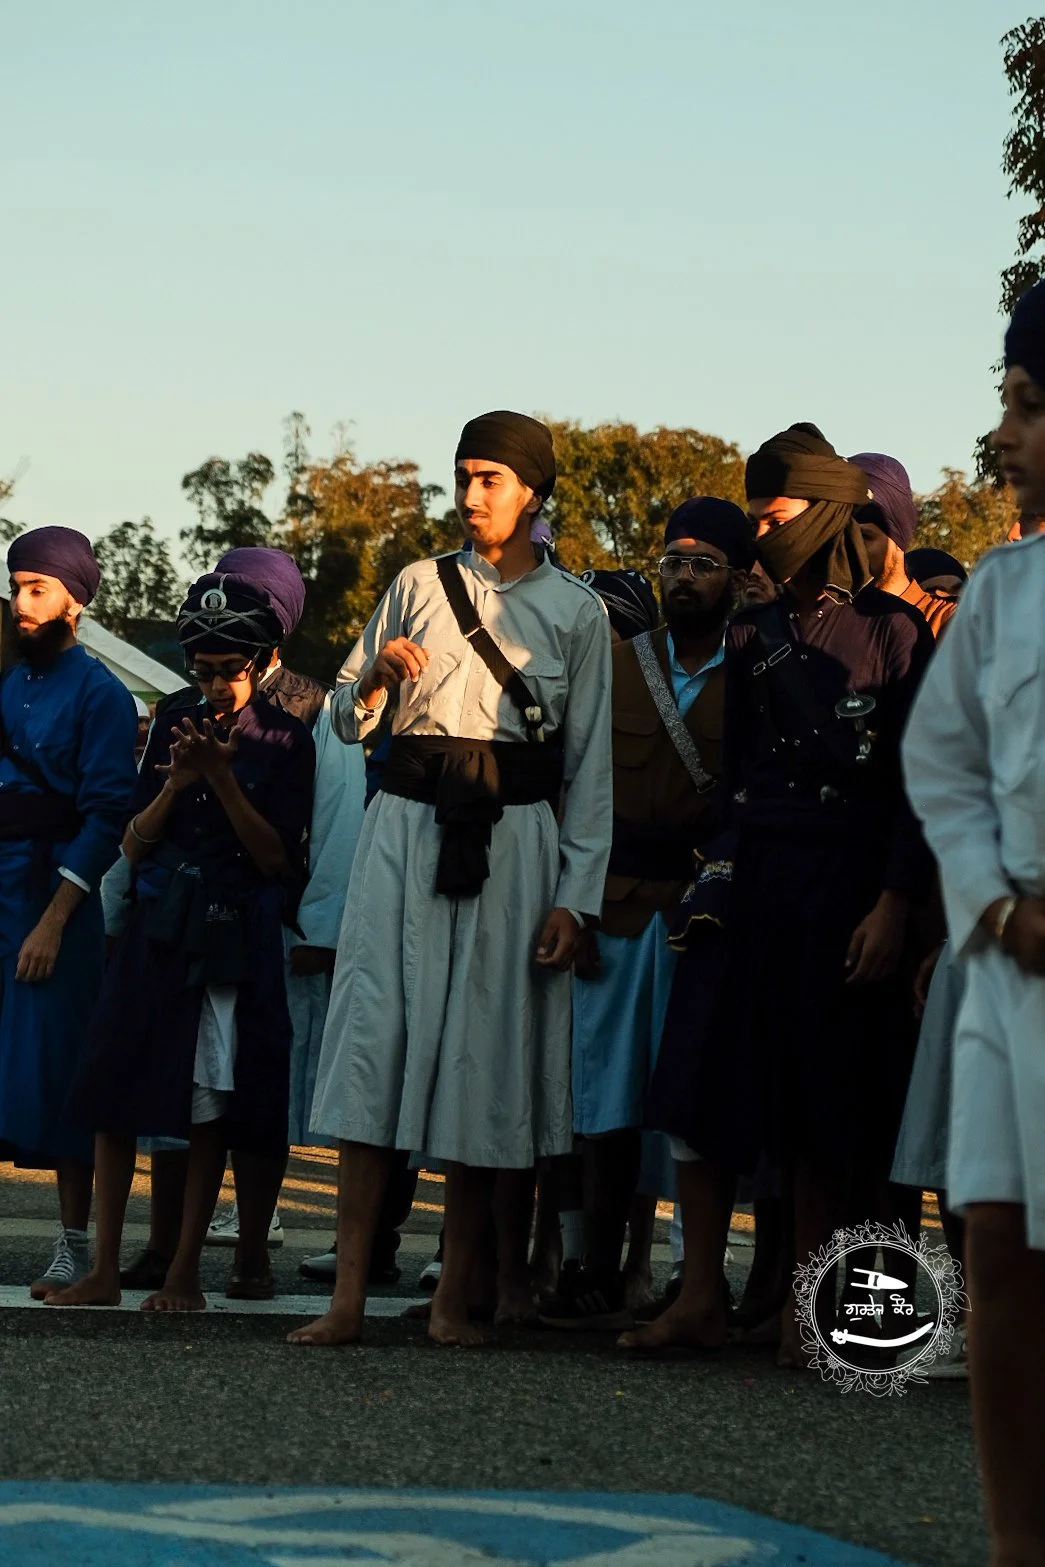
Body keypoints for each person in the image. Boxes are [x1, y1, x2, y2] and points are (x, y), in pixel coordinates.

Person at [288, 409, 613, 1348]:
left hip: (514, 841)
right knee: (371, 1046)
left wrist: (574, 900)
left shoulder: (576, 612)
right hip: (403, 830)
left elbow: (587, 771)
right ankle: (347, 1298)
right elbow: (346, 724)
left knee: (483, 1059)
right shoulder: (415, 585)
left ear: (533, 493)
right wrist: (376, 681)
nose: (471, 496)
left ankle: (450, 1300)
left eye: (491, 479)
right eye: (464, 475)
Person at [634, 424, 933, 1360]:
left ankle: (812, 1313)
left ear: (825, 513)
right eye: (755, 510)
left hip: (846, 886)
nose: (762, 527)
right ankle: (695, 1296)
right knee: (699, 1080)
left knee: (826, 1104)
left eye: (777, 511)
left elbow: (914, 789)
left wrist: (893, 905)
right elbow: (737, 774)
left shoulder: (892, 633)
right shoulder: (750, 632)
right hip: (751, 876)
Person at [48, 570, 315, 1310]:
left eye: (231, 670)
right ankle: (102, 1266)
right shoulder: (172, 718)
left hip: (231, 932)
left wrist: (222, 782)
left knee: (209, 1101)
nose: (217, 684)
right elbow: (133, 841)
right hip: (158, 920)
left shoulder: (285, 737)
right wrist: (174, 784)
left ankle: (184, 1270)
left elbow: (275, 858)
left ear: (262, 663)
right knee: (111, 1082)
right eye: (203, 671)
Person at [902, 279, 1045, 1565]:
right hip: (1014, 960)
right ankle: (1014, 1540)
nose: (1005, 435)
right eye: (1007, 404)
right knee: (995, 1241)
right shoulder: (1005, 589)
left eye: (1028, 409)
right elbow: (942, 765)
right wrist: (993, 899)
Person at [540, 502, 754, 1331]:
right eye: (672, 562)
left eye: (702, 564)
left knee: (695, 1100)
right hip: (618, 904)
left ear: (734, 577)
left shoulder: (759, 666)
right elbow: (575, 787)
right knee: (604, 1099)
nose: (683, 577)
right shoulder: (617, 662)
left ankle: (687, 1271)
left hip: (702, 913)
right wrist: (576, 901)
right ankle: (597, 1266)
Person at [0, 527, 138, 1298]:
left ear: (75, 601)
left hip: (57, 899)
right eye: (17, 586)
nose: (22, 604)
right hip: (0, 882)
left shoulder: (103, 695)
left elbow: (106, 814)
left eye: (38, 589)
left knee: (60, 1073)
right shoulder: (6, 683)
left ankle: (72, 1240)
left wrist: (54, 919)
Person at [850, 451, 958, 639]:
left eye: (865, 537)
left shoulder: (951, 624)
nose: (851, 549)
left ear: (898, 540)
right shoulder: (825, 623)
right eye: (839, 537)